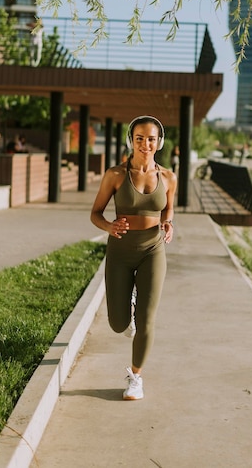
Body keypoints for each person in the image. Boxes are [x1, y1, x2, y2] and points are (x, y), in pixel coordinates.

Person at [90, 115, 177, 400]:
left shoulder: (168, 177)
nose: (145, 144)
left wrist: (168, 223)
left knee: (147, 320)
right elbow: (96, 213)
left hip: (153, 250)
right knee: (118, 324)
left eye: (151, 138)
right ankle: (128, 306)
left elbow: (168, 210)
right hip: (120, 251)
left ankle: (136, 378)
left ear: (159, 142)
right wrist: (109, 226)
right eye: (140, 138)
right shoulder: (115, 175)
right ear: (132, 140)